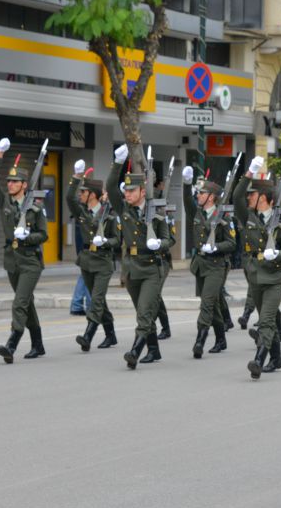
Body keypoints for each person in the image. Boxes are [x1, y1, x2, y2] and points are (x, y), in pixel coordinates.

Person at [107, 144, 174, 369]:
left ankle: (135, 351)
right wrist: (117, 163)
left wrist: (159, 244)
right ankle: (154, 350)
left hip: (152, 269)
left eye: (131, 191)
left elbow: (169, 240)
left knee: (144, 313)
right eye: (125, 191)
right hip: (131, 268)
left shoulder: (156, 212)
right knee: (142, 311)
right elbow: (109, 186)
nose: (126, 194)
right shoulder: (124, 209)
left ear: (142, 192)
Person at [0, 138, 49, 363]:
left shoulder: (36, 207)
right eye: (9, 181)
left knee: (20, 302)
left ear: (24, 184)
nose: (10, 184)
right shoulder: (4, 201)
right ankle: (38, 344)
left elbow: (44, 235)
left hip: (30, 261)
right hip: (11, 260)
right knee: (26, 302)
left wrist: (28, 237)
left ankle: (12, 342)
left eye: (15, 182)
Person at [235, 172, 281, 378]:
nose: (249, 197)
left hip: (275, 278)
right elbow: (236, 197)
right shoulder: (248, 217)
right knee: (268, 320)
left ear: (264, 197)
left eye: (253, 194)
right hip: (255, 277)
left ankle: (259, 360)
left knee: (266, 321)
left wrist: (277, 254)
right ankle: (276, 359)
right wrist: (247, 175)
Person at [183, 165, 235, 358]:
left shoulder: (223, 217)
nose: (198, 195)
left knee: (206, 303)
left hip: (216, 266)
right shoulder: (196, 213)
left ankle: (200, 341)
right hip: (200, 265)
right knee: (212, 304)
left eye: (202, 193)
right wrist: (186, 183)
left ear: (211, 197)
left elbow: (231, 243)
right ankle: (221, 339)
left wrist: (216, 247)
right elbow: (187, 199)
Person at [67, 160, 119, 351]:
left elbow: (117, 240)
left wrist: (105, 242)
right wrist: (76, 177)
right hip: (87, 260)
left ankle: (88, 335)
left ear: (93, 195)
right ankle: (111, 335)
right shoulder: (82, 212)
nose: (80, 194)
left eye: (83, 192)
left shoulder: (109, 215)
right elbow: (69, 198)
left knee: (95, 301)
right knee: (100, 301)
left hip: (103, 262)